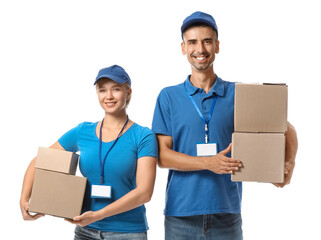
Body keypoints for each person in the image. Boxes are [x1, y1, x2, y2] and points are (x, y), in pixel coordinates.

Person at [152, 11, 298, 240]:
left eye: (207, 41)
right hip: (181, 216)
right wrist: (208, 163)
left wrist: (289, 163)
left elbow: (286, 128)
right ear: (183, 48)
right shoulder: (168, 97)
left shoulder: (238, 94)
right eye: (192, 42)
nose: (200, 49)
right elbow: (162, 156)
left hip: (227, 214)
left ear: (217, 46)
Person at [20, 65, 158, 240]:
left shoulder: (143, 136)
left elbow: (144, 192)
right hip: (86, 231)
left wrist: (99, 215)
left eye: (116, 89)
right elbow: (39, 161)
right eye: (102, 90)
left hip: (127, 232)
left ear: (128, 92)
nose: (108, 96)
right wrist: (24, 199)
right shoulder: (83, 131)